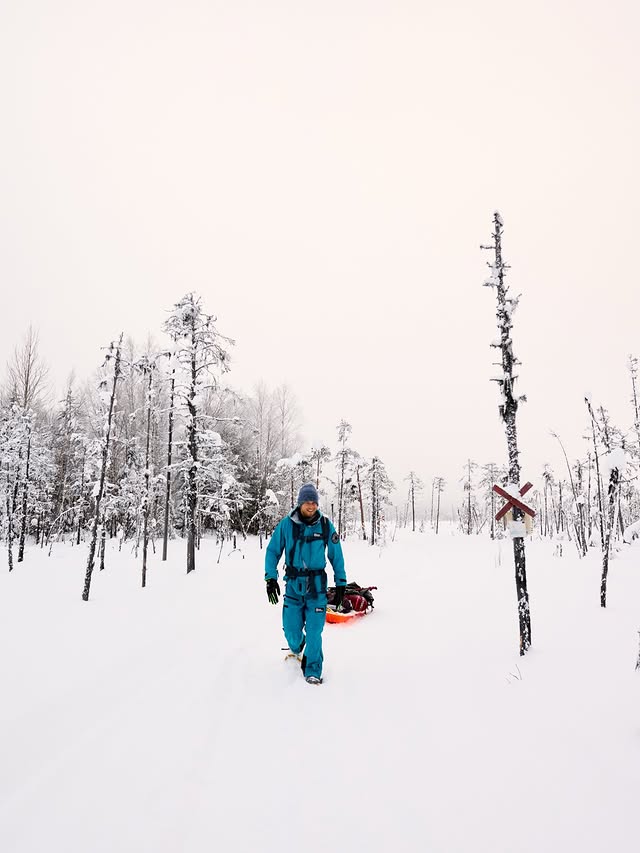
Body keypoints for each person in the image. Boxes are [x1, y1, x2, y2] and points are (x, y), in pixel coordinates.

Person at [265, 483, 346, 685]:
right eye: (307, 502)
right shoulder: (286, 525)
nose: (311, 506)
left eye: (314, 502)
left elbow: (336, 555)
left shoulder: (326, 525)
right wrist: (270, 578)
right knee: (290, 629)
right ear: (300, 503)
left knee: (314, 632)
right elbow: (273, 551)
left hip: (317, 587)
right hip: (293, 585)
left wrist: (341, 582)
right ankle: (297, 645)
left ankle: (313, 670)